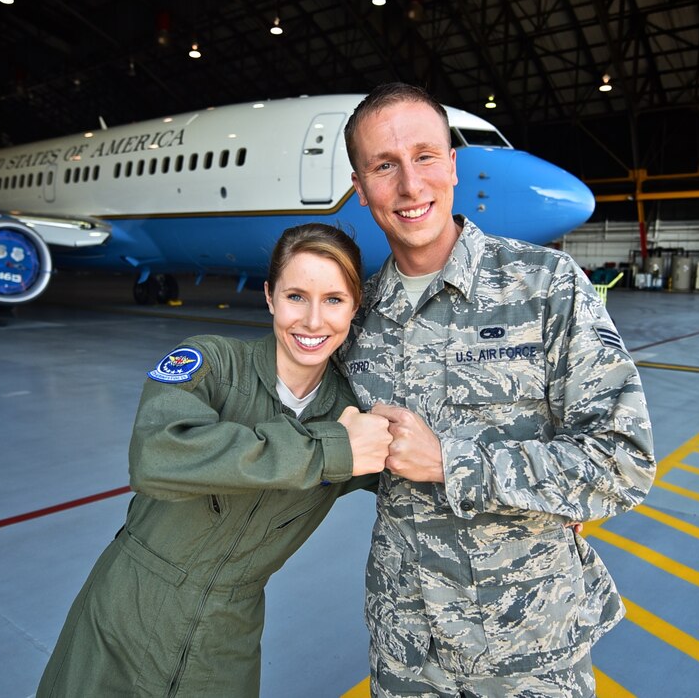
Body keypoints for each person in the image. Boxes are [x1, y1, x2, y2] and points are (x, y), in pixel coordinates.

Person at [339, 83, 657, 697]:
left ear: (453, 166)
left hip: (529, 652)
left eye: (426, 156)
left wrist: (454, 463)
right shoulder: (357, 320)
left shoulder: (545, 286)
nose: (410, 186)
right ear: (360, 188)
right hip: (408, 654)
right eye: (385, 166)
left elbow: (625, 462)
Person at [36, 222, 392, 697]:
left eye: (333, 300)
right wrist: (329, 451)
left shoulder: (347, 412)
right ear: (269, 297)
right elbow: (157, 455)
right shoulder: (210, 364)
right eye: (295, 297)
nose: (312, 321)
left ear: (355, 307)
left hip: (227, 636)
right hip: (127, 609)